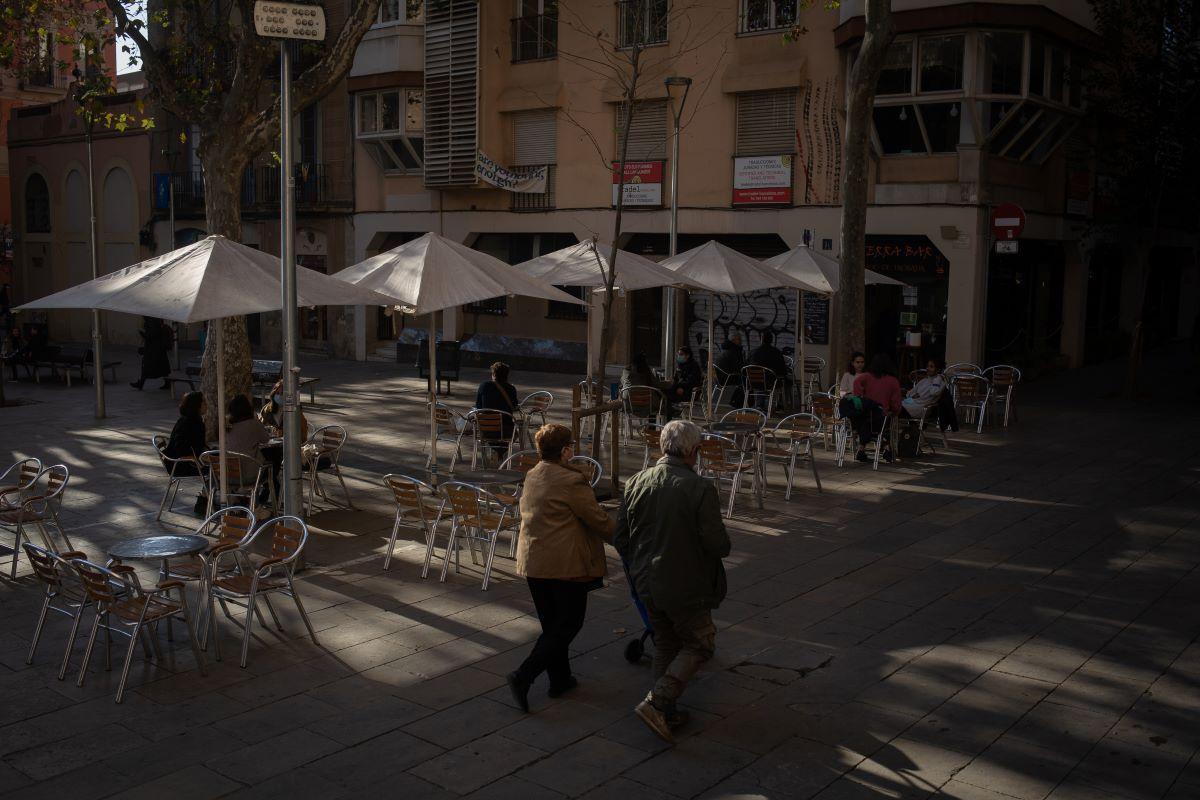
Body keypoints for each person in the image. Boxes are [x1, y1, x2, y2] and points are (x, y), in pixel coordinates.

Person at [615, 420, 730, 743]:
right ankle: (659, 701)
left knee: (666, 641)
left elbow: (620, 537)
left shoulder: (637, 481)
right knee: (699, 643)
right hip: (685, 584)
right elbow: (717, 544)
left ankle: (666, 709)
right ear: (694, 451)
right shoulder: (699, 488)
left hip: (646, 580)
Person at [507, 424, 615, 711]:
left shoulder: (533, 474)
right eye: (571, 445)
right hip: (565, 564)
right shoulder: (571, 481)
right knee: (568, 624)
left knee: (551, 625)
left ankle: (560, 679)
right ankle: (524, 675)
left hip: (534, 562)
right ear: (565, 450)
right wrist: (624, 539)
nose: (573, 449)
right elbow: (597, 519)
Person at [843, 354, 902, 463]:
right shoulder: (893, 381)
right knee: (884, 423)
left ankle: (862, 448)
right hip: (881, 415)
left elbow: (856, 382)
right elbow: (895, 403)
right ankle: (886, 447)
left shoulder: (866, 376)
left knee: (867, 421)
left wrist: (860, 398)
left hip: (865, 415)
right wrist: (894, 411)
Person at [225, 394, 275, 504]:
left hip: (227, 475)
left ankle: (241, 498)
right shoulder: (253, 424)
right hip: (250, 475)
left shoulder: (226, 425)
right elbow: (265, 439)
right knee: (273, 458)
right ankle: (262, 500)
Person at [164, 391, 208, 514]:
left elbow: (198, 445)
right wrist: (194, 458)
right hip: (180, 464)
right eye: (204, 402)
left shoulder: (191, 420)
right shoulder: (192, 422)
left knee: (216, 462)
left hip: (179, 462)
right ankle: (204, 500)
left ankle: (208, 498)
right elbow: (181, 447)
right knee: (218, 469)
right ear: (197, 406)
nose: (206, 404)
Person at [475, 361, 519, 441]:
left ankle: (497, 452)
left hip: (486, 431)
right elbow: (515, 406)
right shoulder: (511, 389)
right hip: (506, 432)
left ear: (494, 374)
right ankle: (502, 452)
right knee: (516, 432)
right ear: (507, 376)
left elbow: (478, 407)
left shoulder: (484, 386)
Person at [130, 316, 173, 390]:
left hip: (154, 350)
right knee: (162, 367)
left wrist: (142, 334)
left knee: (147, 366)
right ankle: (167, 383)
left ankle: (141, 384)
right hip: (157, 349)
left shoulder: (152, 321)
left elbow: (152, 335)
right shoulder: (154, 320)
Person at [667, 346, 702, 416]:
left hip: (689, 391)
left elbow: (692, 381)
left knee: (668, 393)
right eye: (678, 354)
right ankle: (670, 411)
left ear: (688, 355)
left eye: (681, 354)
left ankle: (672, 412)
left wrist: (681, 387)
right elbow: (676, 378)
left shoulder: (693, 366)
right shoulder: (680, 365)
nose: (679, 356)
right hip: (680, 388)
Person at [714, 333, 745, 407]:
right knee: (746, 381)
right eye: (739, 339)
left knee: (745, 380)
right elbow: (738, 368)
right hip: (727, 378)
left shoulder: (725, 350)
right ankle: (738, 404)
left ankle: (736, 402)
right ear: (733, 340)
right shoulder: (734, 351)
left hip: (719, 379)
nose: (741, 341)